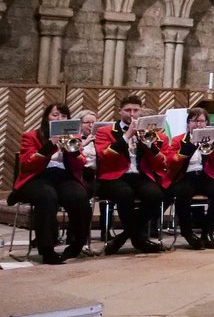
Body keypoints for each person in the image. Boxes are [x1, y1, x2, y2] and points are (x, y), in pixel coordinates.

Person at [7, 103, 91, 263]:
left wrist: (72, 152)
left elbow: (80, 164)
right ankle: (46, 250)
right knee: (47, 197)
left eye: (64, 116)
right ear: (47, 117)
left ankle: (76, 244)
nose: (60, 119)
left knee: (80, 197)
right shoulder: (31, 136)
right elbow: (27, 164)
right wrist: (50, 145)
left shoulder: (74, 137)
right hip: (37, 177)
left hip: (63, 176)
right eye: (55, 115)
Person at [95, 95, 169, 254]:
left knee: (156, 195)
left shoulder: (148, 132)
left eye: (136, 110)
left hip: (140, 176)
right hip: (114, 176)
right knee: (125, 194)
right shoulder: (105, 131)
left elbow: (159, 164)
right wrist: (127, 136)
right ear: (120, 111)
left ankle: (124, 236)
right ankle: (139, 239)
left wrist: (149, 144)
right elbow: (105, 157)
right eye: (128, 110)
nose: (132, 113)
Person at [166, 107, 214, 250]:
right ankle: (188, 233)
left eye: (201, 121)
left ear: (206, 123)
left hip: (205, 176)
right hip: (185, 176)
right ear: (188, 123)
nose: (198, 124)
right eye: (194, 121)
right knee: (182, 193)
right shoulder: (178, 140)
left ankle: (207, 232)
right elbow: (171, 162)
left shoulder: (212, 140)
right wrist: (189, 147)